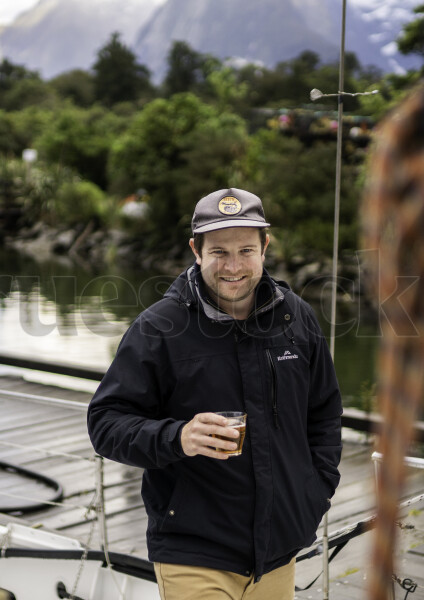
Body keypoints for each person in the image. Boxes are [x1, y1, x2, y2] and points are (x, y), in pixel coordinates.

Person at [87, 188, 343, 600]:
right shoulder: (157, 328)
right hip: (194, 552)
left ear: (265, 246)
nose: (234, 266)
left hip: (278, 552)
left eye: (246, 251)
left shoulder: (297, 317)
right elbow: (106, 423)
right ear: (196, 250)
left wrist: (315, 491)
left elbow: (324, 412)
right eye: (219, 252)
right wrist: (178, 437)